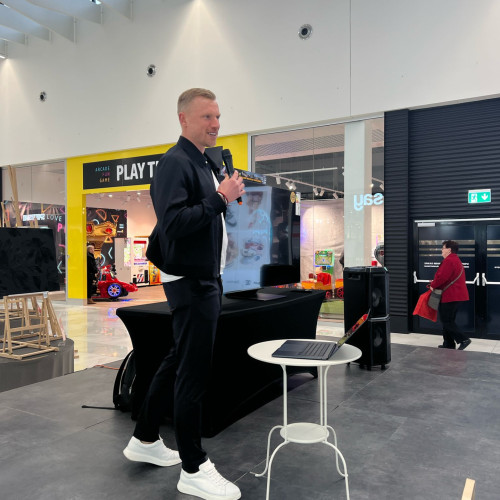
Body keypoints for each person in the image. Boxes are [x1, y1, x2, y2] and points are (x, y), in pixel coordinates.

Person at [123, 88, 245, 500]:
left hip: (203, 278)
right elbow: (174, 223)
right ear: (184, 119)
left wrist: (222, 197)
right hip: (192, 282)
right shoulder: (175, 162)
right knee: (193, 371)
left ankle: (145, 436)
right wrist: (220, 197)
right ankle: (193, 467)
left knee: (179, 358)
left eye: (218, 116)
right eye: (207, 116)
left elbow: (203, 216)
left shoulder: (203, 162)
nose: (215, 124)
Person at [429, 240, 471, 350]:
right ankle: (448, 344)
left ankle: (463, 339)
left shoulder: (449, 261)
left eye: (443, 248)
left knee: (446, 320)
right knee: (448, 320)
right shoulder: (455, 260)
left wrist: (433, 285)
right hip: (455, 295)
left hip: (450, 296)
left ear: (449, 249)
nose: (441, 250)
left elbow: (442, 277)